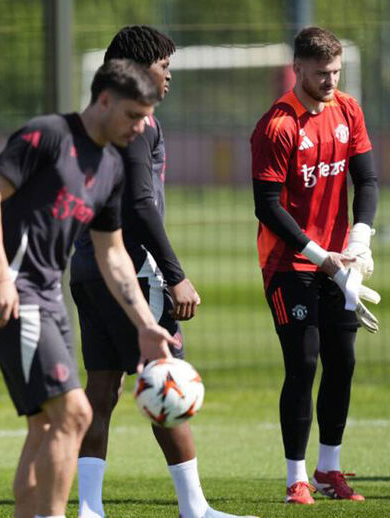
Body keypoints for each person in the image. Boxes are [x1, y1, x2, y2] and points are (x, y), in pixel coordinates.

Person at [0, 59, 176, 518]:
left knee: (45, 427)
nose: (141, 126)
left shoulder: (112, 167)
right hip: (13, 293)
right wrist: (1, 274)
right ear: (104, 100)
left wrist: (145, 324)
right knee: (76, 414)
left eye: (147, 116)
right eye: (133, 115)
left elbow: (113, 254)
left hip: (49, 299)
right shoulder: (47, 135)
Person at [69, 27, 255, 518]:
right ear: (138, 67)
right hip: (132, 271)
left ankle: (89, 507)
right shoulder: (140, 122)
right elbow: (141, 204)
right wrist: (175, 274)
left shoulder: (96, 121)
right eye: (164, 66)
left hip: (87, 266)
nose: (169, 75)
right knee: (165, 377)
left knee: (102, 387)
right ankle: (195, 509)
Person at [250, 26, 378, 505]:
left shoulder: (348, 109)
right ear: (297, 69)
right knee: (302, 363)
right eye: (321, 73)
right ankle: (295, 478)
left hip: (339, 261)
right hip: (290, 264)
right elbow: (267, 206)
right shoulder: (277, 125)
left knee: (341, 362)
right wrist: (319, 256)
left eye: (335, 72)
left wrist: (359, 239)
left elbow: (366, 181)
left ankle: (330, 470)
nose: (330, 81)